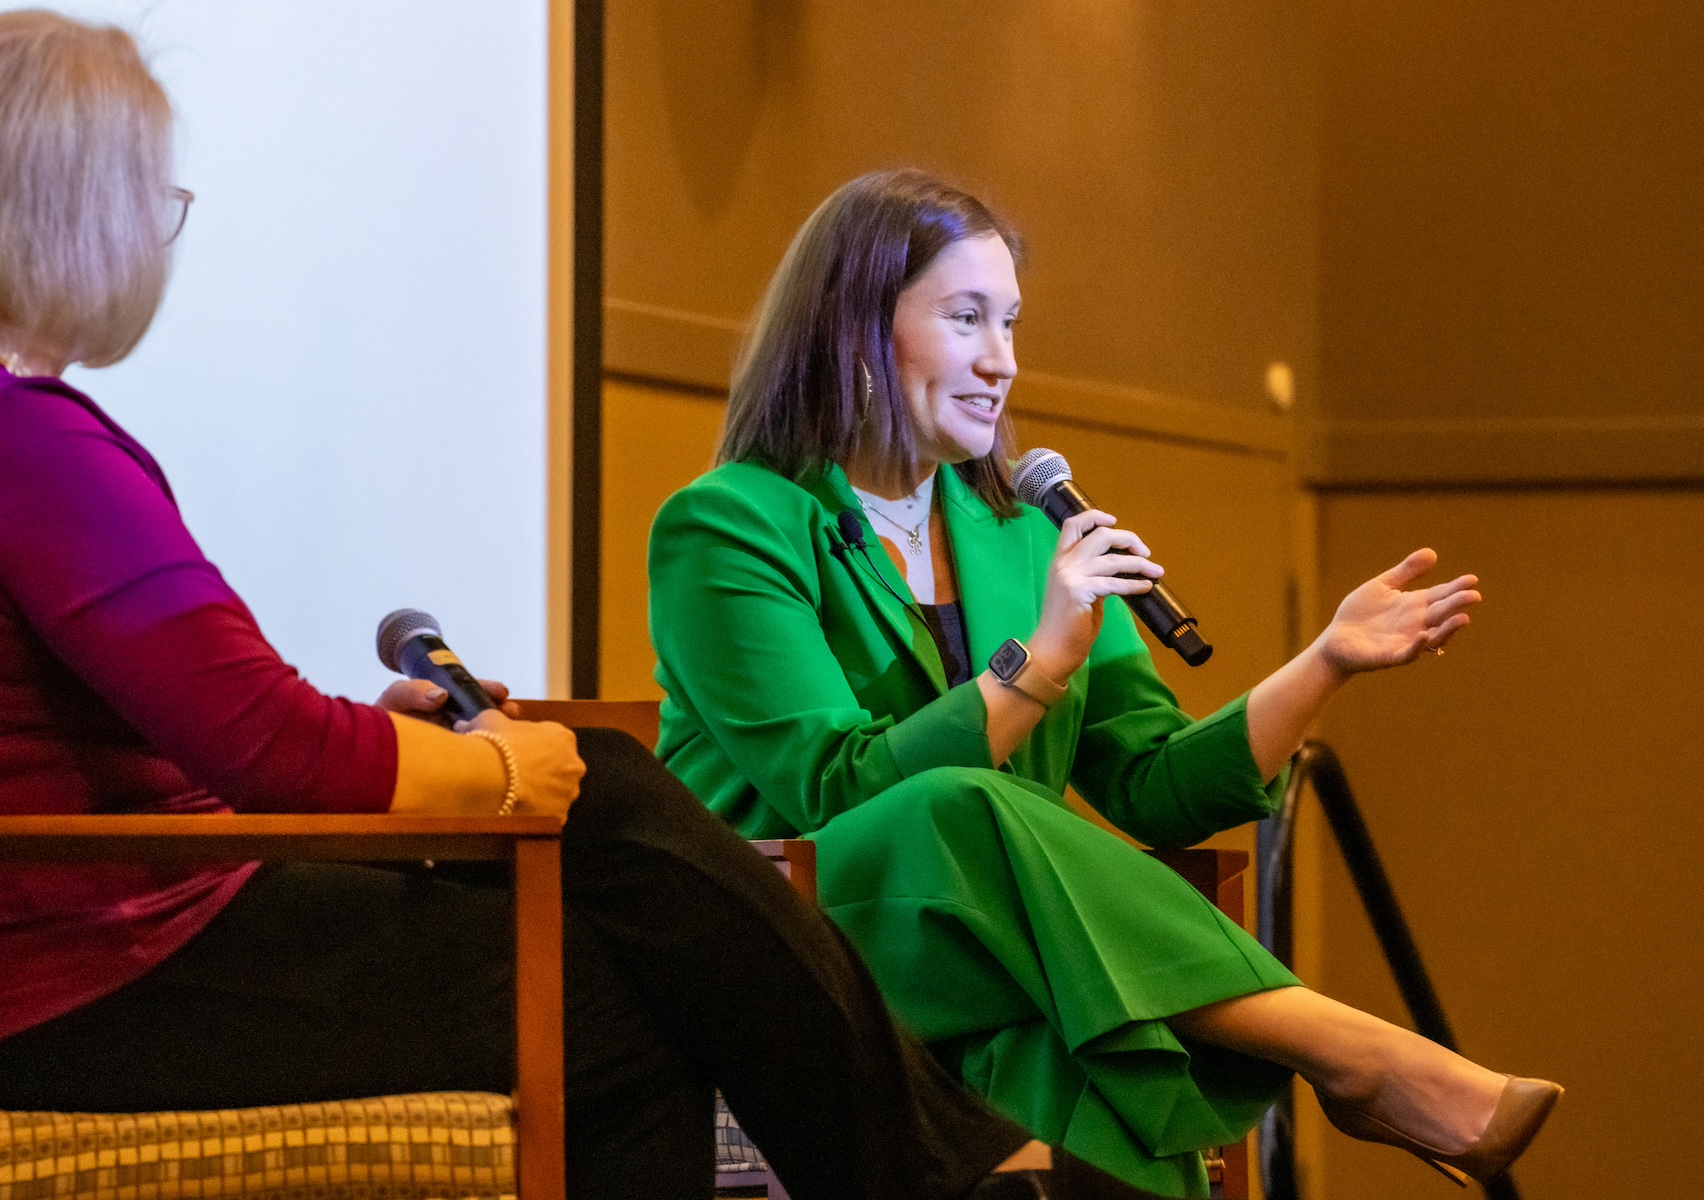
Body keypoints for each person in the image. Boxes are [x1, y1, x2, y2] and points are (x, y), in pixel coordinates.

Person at [0, 15, 1173, 1200]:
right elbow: (270, 756)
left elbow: (134, 724)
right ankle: (973, 1183)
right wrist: (489, 770)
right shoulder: (14, 442)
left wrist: (421, 741)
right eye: (154, 202)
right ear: (75, 214)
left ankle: (974, 1182)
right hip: (89, 981)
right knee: (615, 984)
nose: (162, 238)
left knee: (600, 800)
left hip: (30, 957)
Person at [644, 169, 1561, 1196]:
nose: (1002, 362)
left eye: (1012, 324)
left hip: (993, 943)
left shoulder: (1026, 536)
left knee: (1071, 1033)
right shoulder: (728, 524)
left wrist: (1326, 662)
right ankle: (1343, 1049)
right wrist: (1038, 662)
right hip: (789, 931)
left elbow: (1157, 787)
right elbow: (838, 789)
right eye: (966, 319)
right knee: (960, 806)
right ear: (854, 329)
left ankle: (1329, 1068)